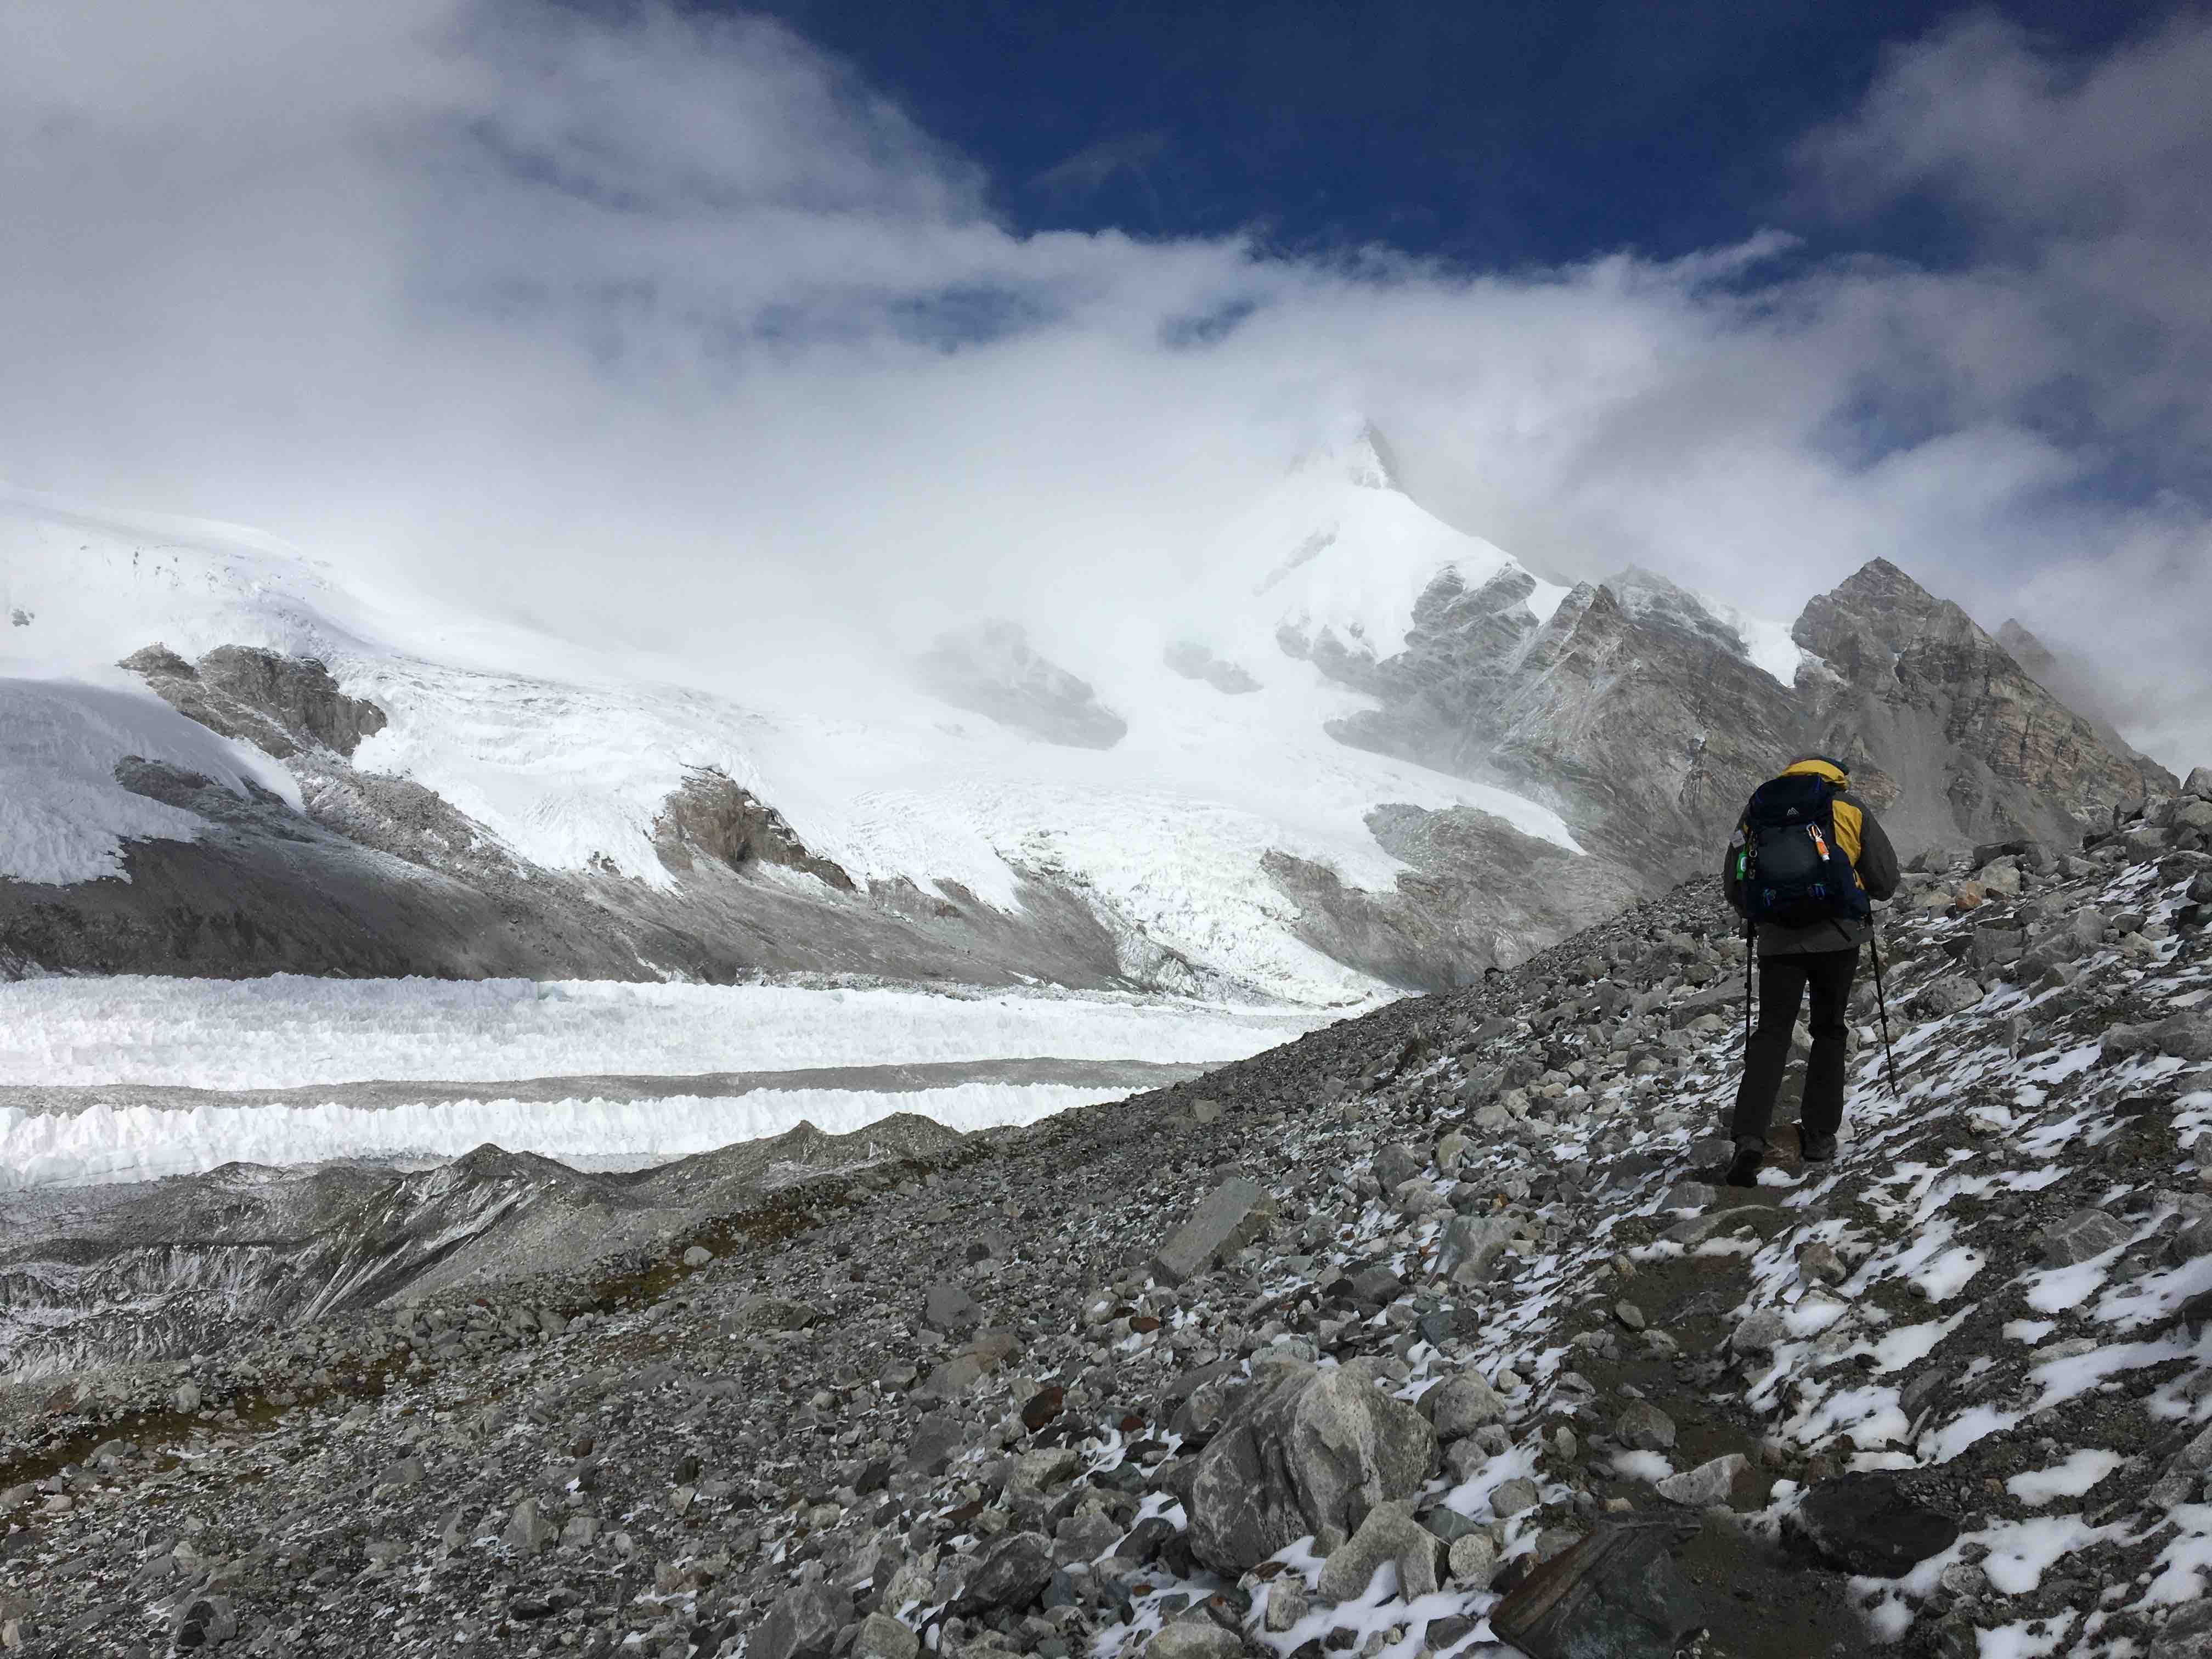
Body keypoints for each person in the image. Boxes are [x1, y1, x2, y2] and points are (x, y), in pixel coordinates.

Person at [1721, 754, 1900, 1186]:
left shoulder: (1758, 809)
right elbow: (1884, 880)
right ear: (1833, 775)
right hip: (1838, 937)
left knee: (1772, 1034)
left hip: (1778, 941)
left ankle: (1748, 1136)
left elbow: (1734, 882)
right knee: (1829, 1029)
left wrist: (1763, 916)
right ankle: (1819, 1135)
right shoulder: (1848, 808)